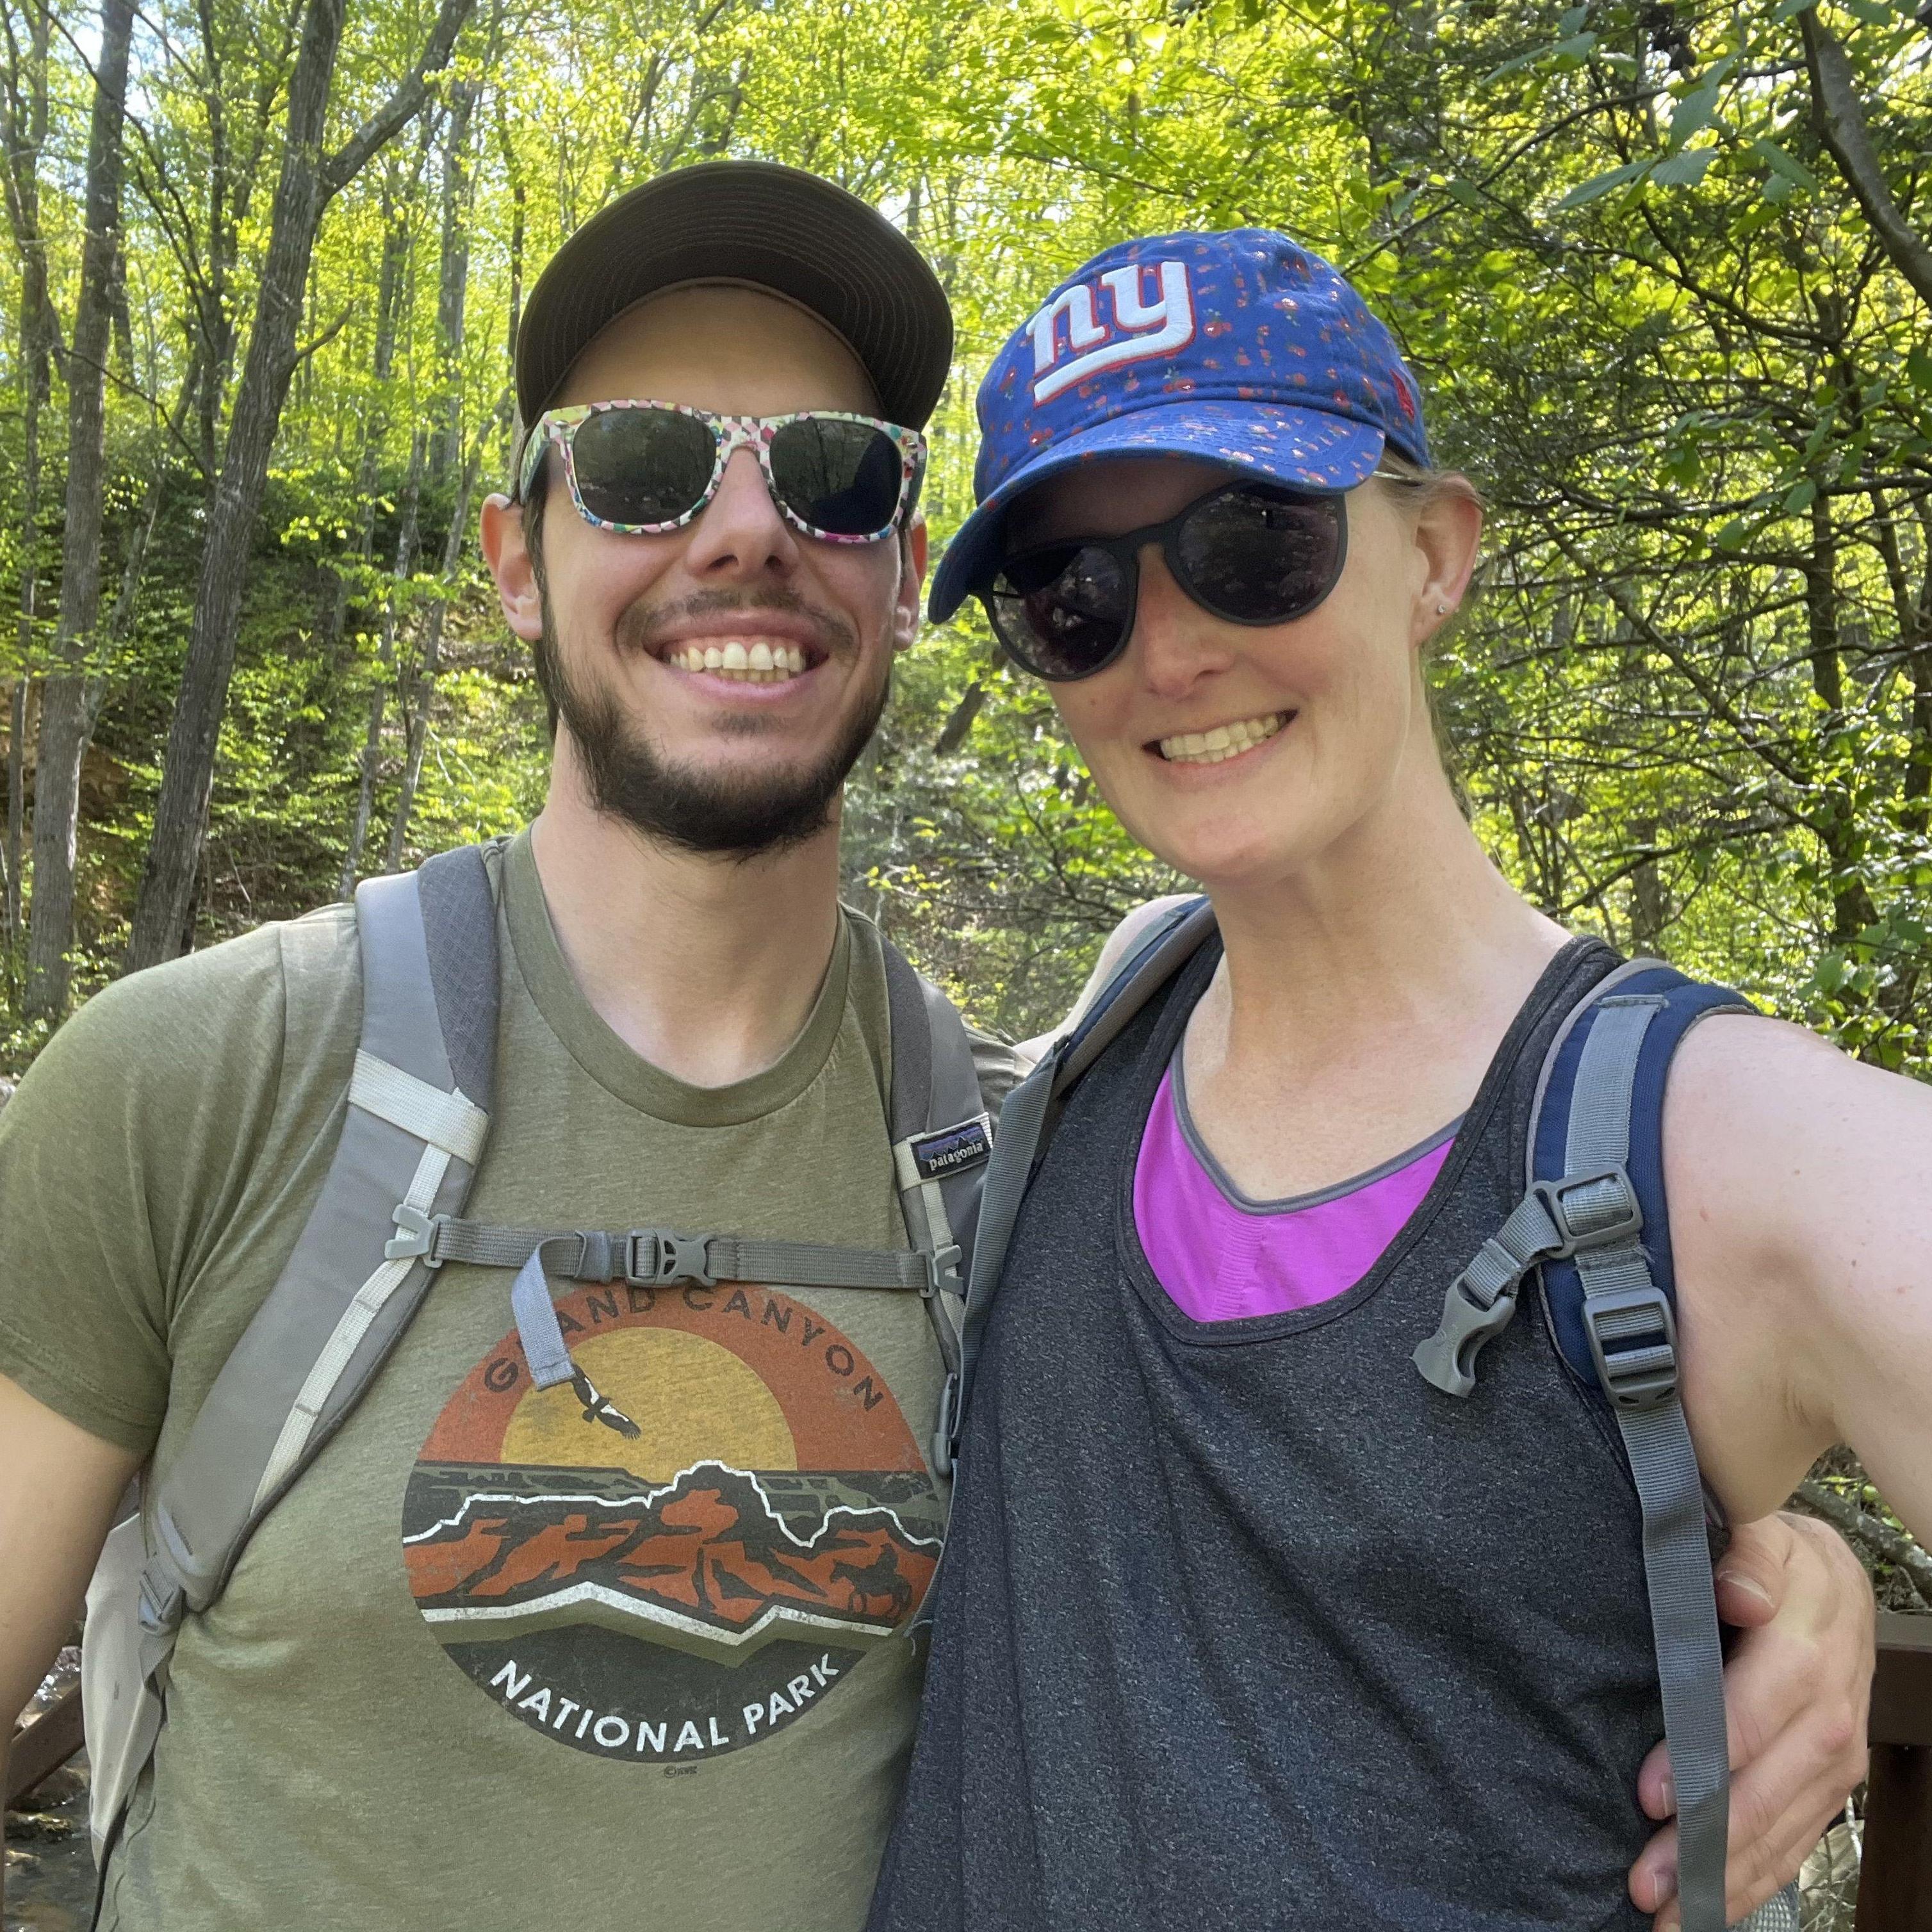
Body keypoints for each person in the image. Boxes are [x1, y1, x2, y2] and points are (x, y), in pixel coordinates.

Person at [0, 176, 1872, 1931]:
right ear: (513, 559)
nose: (739, 533)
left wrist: (1756, 1556)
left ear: (901, 578)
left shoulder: (1005, 1152)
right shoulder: (200, 1085)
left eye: (824, 478)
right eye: (643, 468)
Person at [869, 230, 1915, 1932]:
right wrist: (1778, 1576)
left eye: (1250, 541)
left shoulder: (1708, 1142)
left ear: (1435, 552)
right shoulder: (1098, 1043)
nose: (1172, 647)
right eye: (1077, 592)